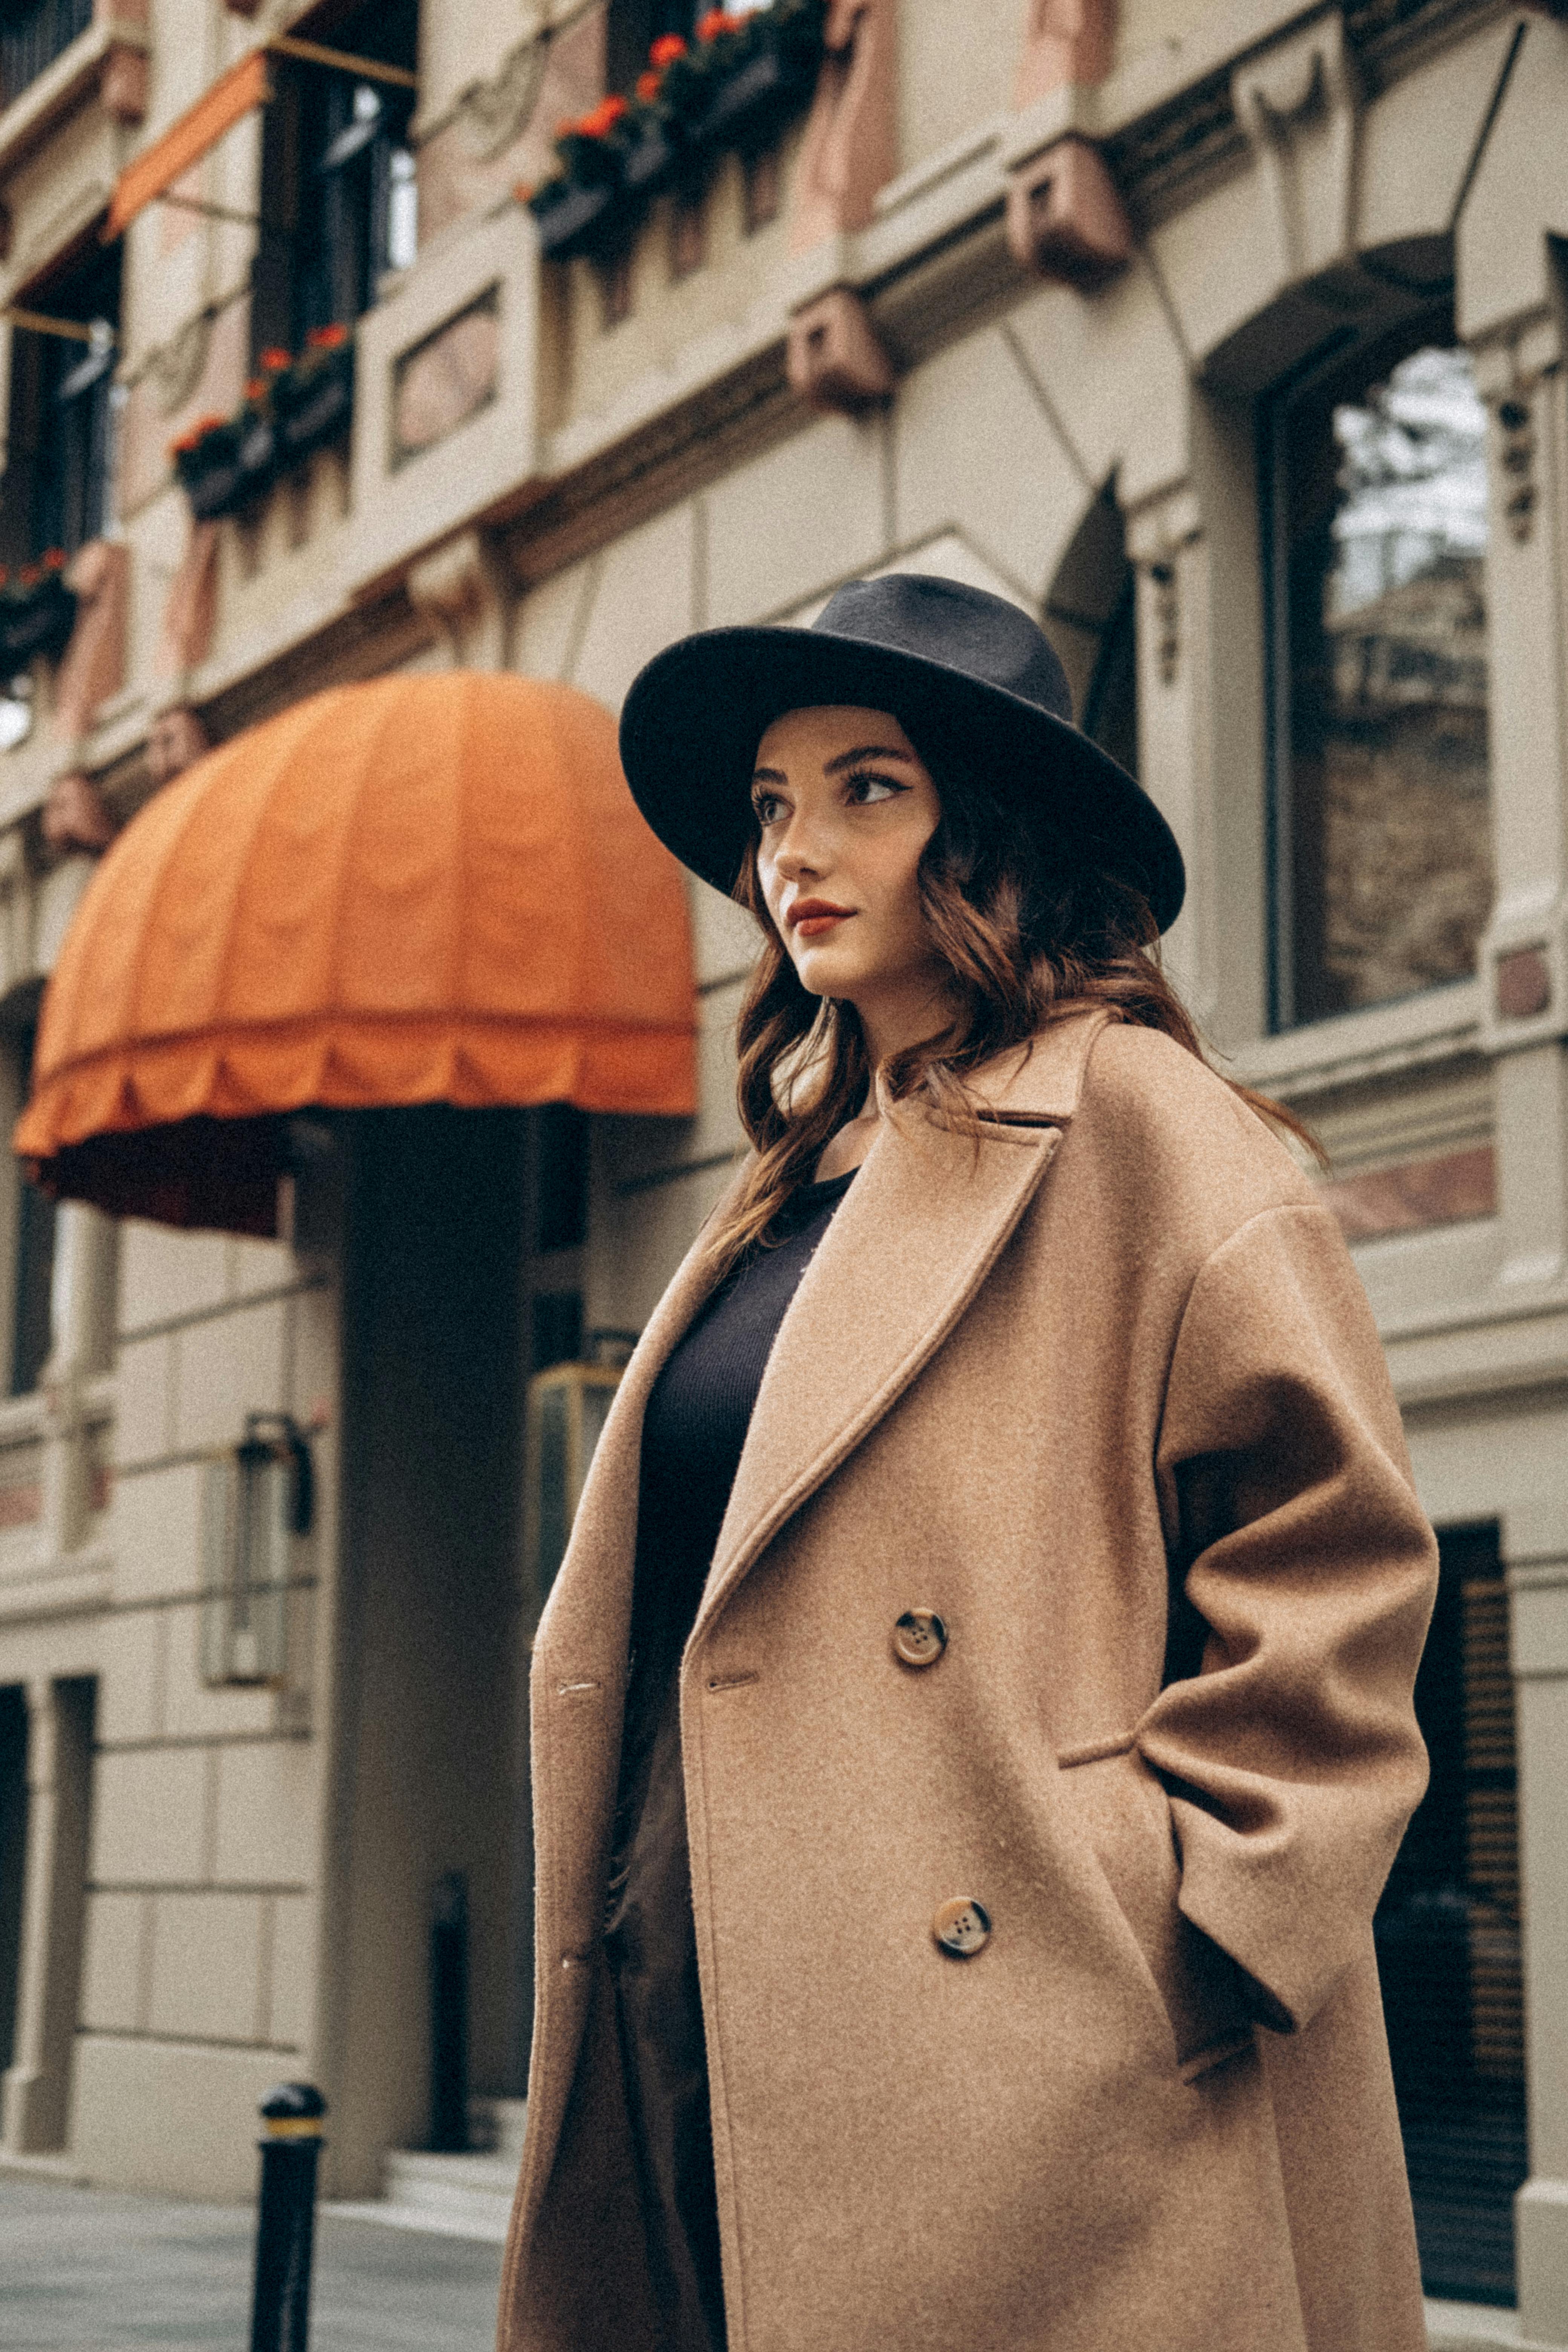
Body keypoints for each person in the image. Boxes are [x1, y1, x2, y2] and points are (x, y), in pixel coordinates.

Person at [498, 574, 1438, 2352]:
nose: (796, 846)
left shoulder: (1142, 1124)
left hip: (1025, 2045)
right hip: (698, 1970)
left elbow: (1336, 1559)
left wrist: (1193, 1927)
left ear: (986, 830)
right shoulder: (793, 1174)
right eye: (773, 805)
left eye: (867, 788)